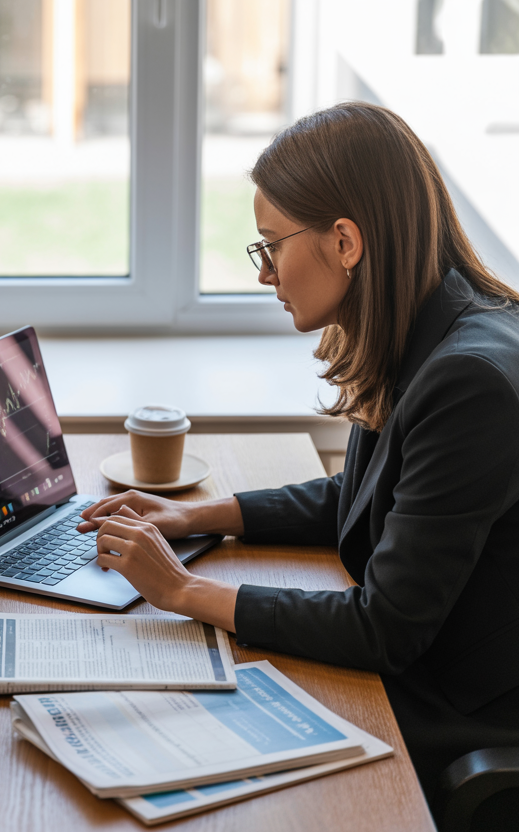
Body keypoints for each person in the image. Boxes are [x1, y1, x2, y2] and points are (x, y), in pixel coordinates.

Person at [77, 101, 519, 804]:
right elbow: (367, 495)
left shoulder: (468, 381)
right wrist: (196, 516)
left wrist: (182, 591)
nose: (265, 274)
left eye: (270, 246)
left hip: (454, 715)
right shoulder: (428, 329)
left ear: (345, 242)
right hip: (420, 674)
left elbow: (384, 629)